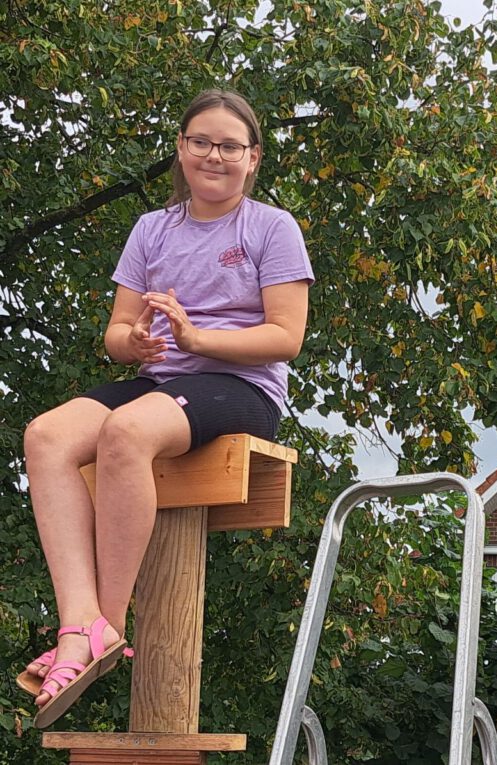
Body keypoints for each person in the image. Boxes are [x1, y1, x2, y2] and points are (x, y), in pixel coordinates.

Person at [18, 89, 314, 727]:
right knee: (45, 436)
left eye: (230, 146)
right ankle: (77, 622)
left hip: (242, 388)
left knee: (127, 431)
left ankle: (108, 627)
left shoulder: (270, 227)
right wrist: (138, 342)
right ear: (181, 150)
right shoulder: (153, 229)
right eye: (201, 142)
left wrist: (197, 338)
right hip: (163, 381)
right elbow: (118, 332)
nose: (215, 155)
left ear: (253, 158)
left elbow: (286, 335)